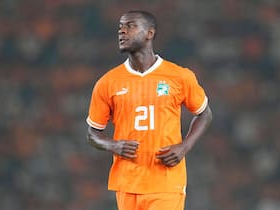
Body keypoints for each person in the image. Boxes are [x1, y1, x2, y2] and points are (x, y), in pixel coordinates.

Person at [86, 10, 212, 210]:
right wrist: (113, 145)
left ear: (149, 33)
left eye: (130, 26)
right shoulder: (108, 82)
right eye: (120, 27)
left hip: (165, 181)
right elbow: (93, 133)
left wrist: (184, 147)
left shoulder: (179, 76)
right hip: (127, 183)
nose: (122, 32)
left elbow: (204, 113)